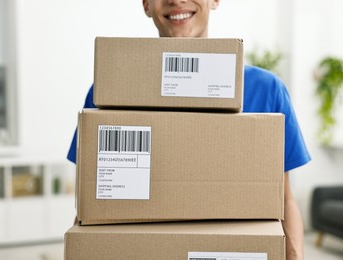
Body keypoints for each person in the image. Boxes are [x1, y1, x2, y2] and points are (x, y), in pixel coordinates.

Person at [67, 1, 311, 259]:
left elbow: (284, 200)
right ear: (146, 4)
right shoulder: (108, 92)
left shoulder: (267, 90)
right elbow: (91, 206)